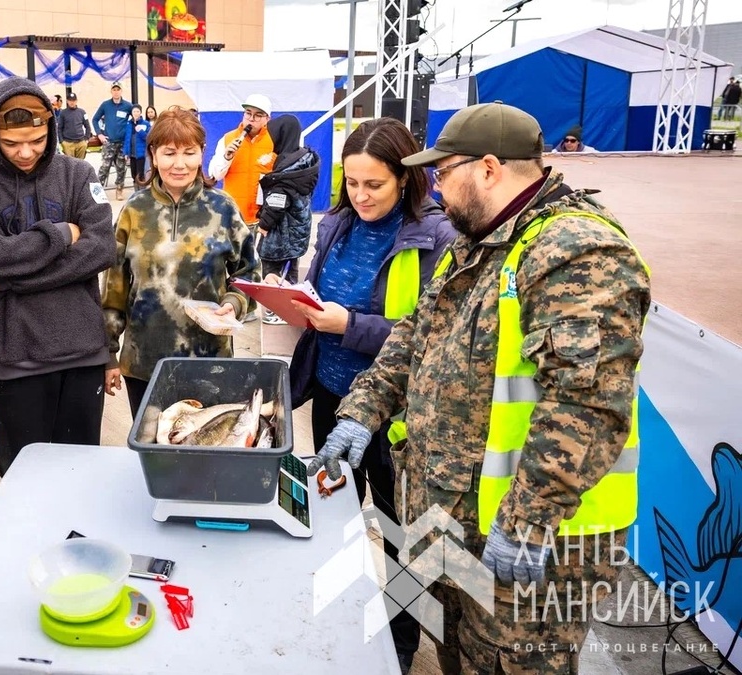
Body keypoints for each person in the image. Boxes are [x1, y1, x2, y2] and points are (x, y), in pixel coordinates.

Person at [309, 102, 649, 674]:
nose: (437, 190)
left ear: (489, 168)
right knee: (458, 655)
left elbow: (586, 406)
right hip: (455, 521)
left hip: (537, 547)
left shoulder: (577, 250)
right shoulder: (484, 240)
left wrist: (526, 521)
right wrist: (360, 411)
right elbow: (416, 333)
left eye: (444, 173)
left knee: (508, 665)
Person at [285, 117, 454, 672]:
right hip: (334, 397)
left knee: (403, 534)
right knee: (334, 516)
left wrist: (347, 326)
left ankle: (399, 647)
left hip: (397, 416)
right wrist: (298, 306)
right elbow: (321, 289)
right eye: (352, 183)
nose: (360, 196)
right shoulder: (337, 222)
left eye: (374, 185)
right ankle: (339, 624)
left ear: (405, 179)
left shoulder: (437, 238)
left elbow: (432, 338)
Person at [0, 76, 116, 476]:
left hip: (82, 349)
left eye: (36, 141)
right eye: (11, 144)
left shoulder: (78, 175)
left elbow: (101, 249)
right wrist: (60, 235)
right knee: (23, 476)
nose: (25, 153)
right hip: (15, 353)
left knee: (80, 472)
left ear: (51, 129)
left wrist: (12, 278)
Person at [103, 108, 258, 415]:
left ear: (202, 153)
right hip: (144, 362)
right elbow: (115, 287)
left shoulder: (222, 208)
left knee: (205, 451)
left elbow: (249, 272)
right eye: (169, 152)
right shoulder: (135, 209)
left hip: (209, 361)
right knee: (152, 454)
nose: (179, 163)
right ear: (153, 154)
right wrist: (108, 353)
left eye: (189, 152)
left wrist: (234, 303)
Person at [254, 115, 321, 325]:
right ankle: (291, 311)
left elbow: (278, 200)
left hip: (281, 233)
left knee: (272, 273)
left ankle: (276, 312)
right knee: (290, 271)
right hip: (296, 230)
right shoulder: (303, 160)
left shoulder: (286, 164)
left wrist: (264, 225)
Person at [208, 93, 275, 224]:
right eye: (248, 113)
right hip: (233, 215)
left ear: (267, 119)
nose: (251, 118)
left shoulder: (274, 141)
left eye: (258, 115)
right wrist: (227, 157)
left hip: (263, 218)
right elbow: (214, 175)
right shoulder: (228, 138)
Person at [92, 81, 132, 200]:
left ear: (121, 91)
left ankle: (119, 190)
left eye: (118, 89)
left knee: (121, 168)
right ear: (111, 91)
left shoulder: (127, 106)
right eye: (114, 89)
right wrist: (100, 134)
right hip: (108, 142)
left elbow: (136, 117)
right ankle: (97, 192)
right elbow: (95, 119)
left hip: (122, 143)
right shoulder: (105, 105)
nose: (116, 91)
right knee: (104, 167)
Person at [58, 91, 93, 159]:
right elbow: (59, 128)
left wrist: (86, 139)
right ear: (67, 101)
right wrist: (62, 141)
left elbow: (88, 127)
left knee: (80, 164)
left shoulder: (82, 112)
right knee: (70, 164)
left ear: (76, 101)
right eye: (70, 100)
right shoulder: (63, 113)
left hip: (81, 143)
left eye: (73, 100)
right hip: (68, 143)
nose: (72, 102)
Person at [123, 104, 150, 190]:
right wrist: (126, 153)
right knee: (133, 174)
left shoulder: (146, 124)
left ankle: (141, 192)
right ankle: (136, 192)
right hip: (132, 154)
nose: (136, 113)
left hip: (141, 154)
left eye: (137, 111)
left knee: (140, 174)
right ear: (131, 113)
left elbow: (149, 138)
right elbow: (127, 139)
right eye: (134, 111)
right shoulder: (128, 124)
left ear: (141, 112)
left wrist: (141, 131)